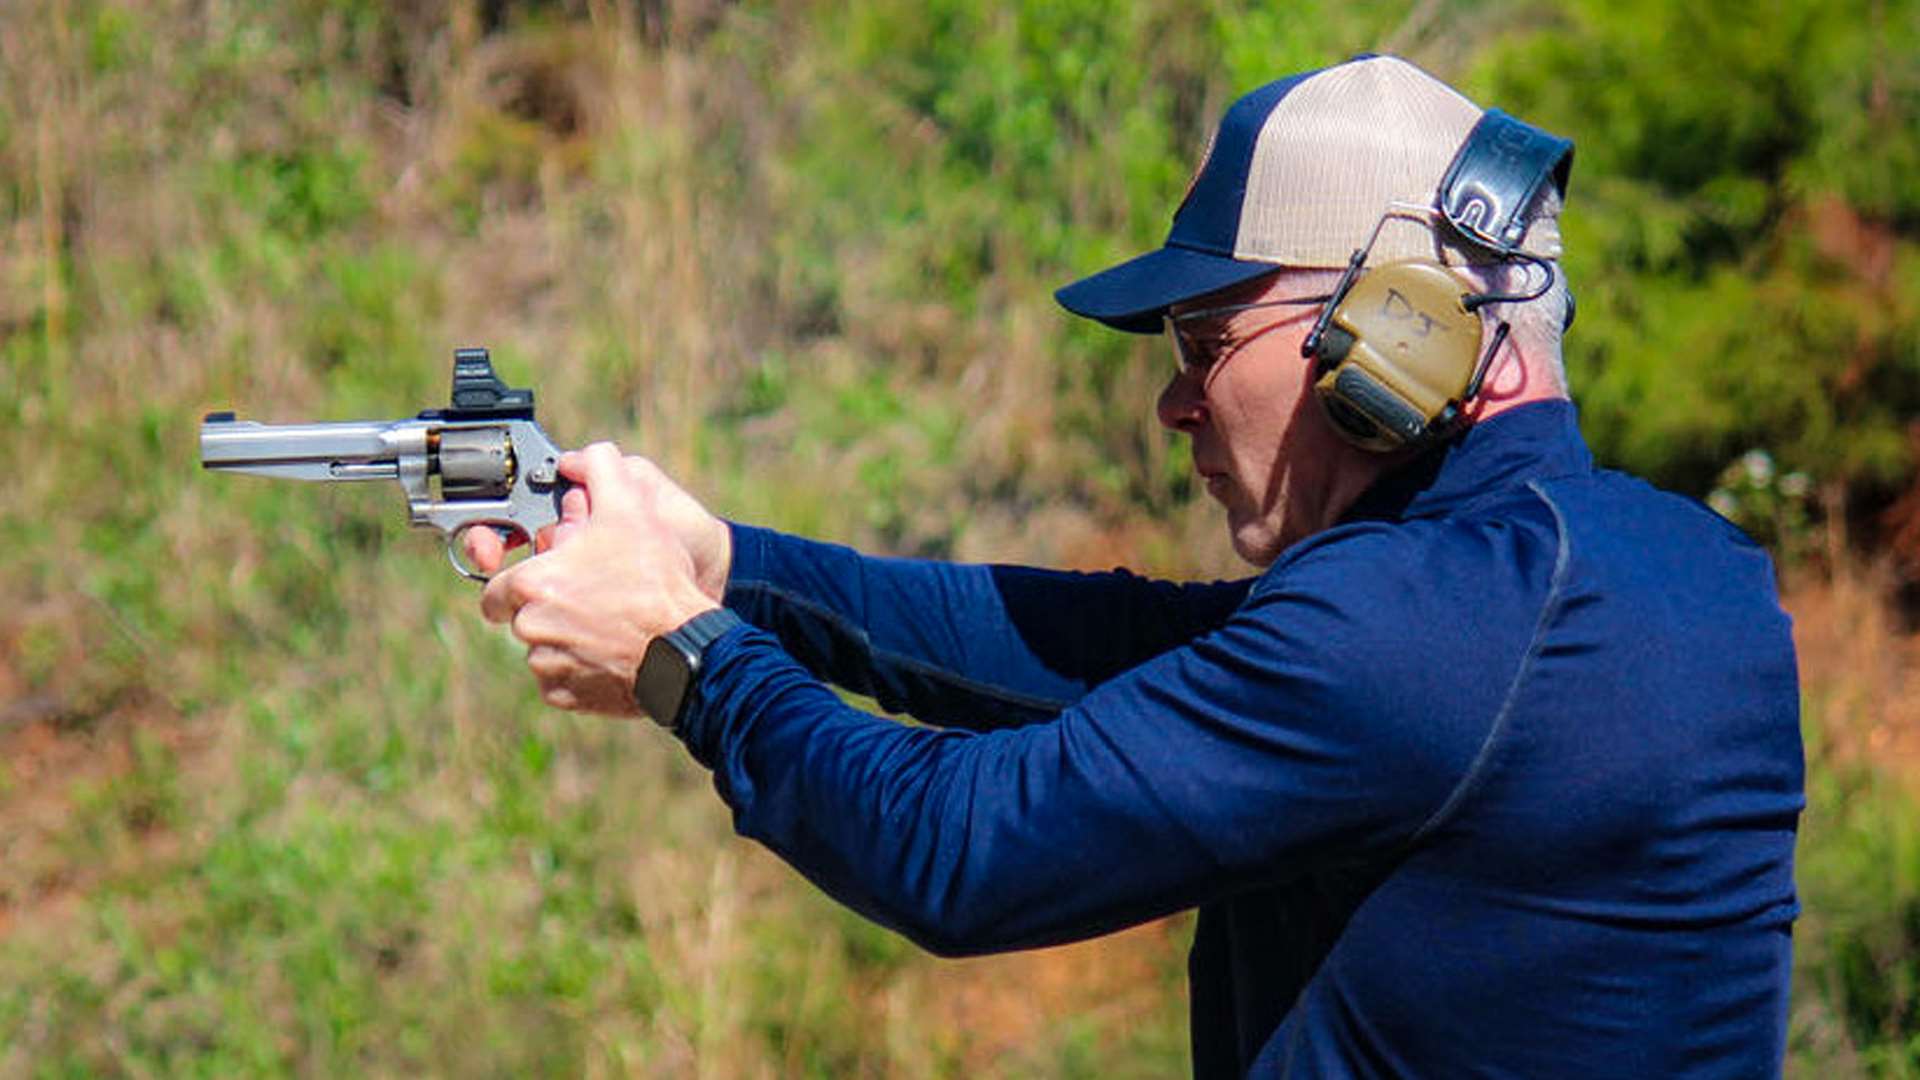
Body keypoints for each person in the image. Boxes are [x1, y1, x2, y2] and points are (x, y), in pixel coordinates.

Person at [471, 54, 1802, 1077]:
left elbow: (961, 849)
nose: (1175, 406)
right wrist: (729, 563)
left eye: (1204, 343)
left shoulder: (1434, 628)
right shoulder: (1663, 579)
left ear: (1404, 327)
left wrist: (682, 657)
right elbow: (1111, 648)